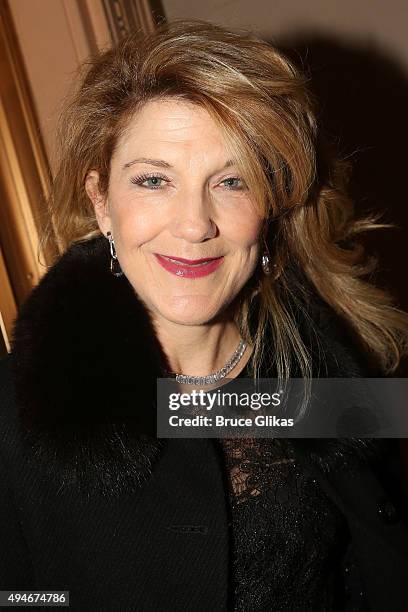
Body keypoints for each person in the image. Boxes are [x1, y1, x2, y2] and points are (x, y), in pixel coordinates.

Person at [0, 19, 408, 611]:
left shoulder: (340, 378)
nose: (195, 224)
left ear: (271, 204)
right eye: (154, 180)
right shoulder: (13, 416)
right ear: (101, 201)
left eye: (231, 180)